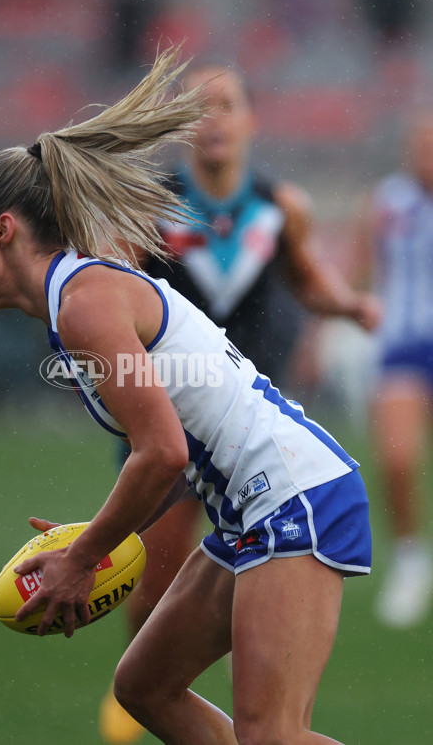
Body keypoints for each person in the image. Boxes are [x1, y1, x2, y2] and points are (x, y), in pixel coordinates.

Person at [0, 46, 373, 744]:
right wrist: (95, 533)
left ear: (5, 230)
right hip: (253, 506)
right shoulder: (76, 297)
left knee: (272, 735)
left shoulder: (83, 304)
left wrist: (85, 556)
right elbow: (163, 448)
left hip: (295, 495)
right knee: (144, 687)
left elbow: (163, 452)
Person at [99, 61, 382, 743]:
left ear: (252, 121)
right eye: (199, 108)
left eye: (226, 105)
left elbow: (308, 280)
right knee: (157, 569)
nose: (213, 119)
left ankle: (169, 684)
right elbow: (121, 292)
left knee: (272, 726)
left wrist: (347, 306)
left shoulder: (280, 206)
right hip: (168, 415)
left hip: (250, 422)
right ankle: (158, 680)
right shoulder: (155, 202)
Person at [355, 109, 433, 628]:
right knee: (398, 459)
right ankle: (410, 559)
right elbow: (357, 271)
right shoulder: (387, 204)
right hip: (404, 344)